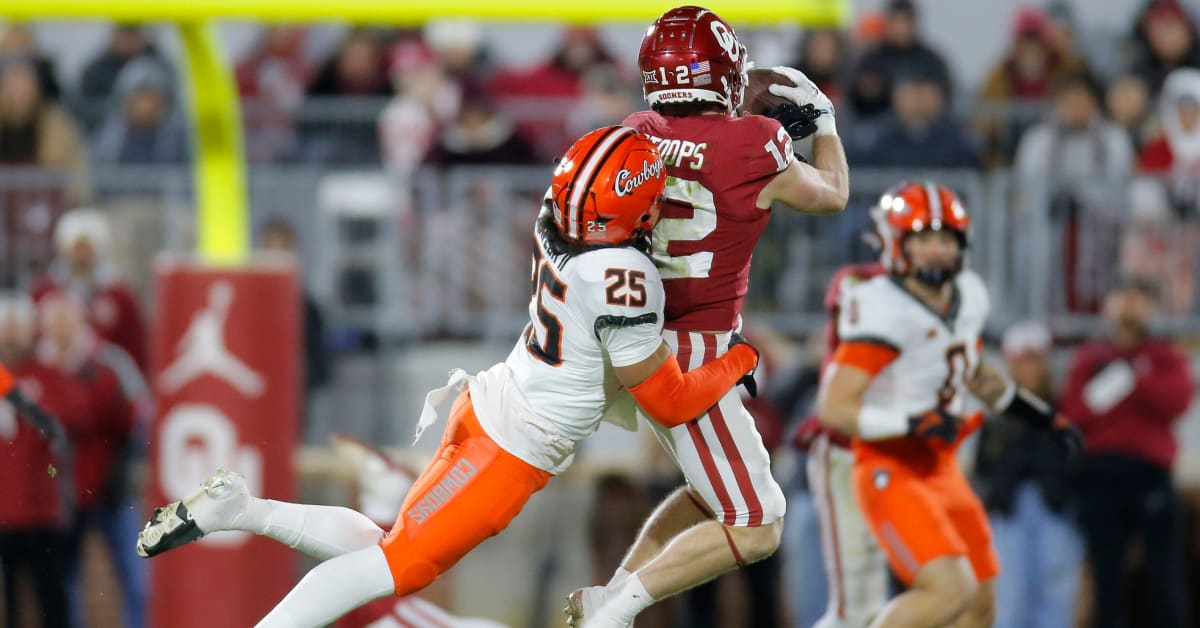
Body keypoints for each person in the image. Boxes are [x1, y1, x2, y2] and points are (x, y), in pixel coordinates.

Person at [135, 125, 761, 627]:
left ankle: (240, 508)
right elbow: (672, 401)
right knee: (392, 567)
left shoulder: (554, 221)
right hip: (510, 451)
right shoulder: (625, 278)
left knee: (390, 546)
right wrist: (739, 359)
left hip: (490, 404)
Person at [567, 6, 849, 626]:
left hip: (630, 335)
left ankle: (612, 590)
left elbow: (688, 156)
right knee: (758, 523)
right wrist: (823, 120)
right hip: (693, 353)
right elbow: (831, 194)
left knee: (709, 493)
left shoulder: (636, 128)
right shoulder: (761, 142)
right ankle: (617, 609)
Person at [816, 181, 1081, 628]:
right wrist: (910, 422)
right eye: (923, 239)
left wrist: (1037, 414)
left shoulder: (969, 295)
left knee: (979, 604)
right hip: (889, 466)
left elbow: (971, 371)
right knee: (948, 591)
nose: (936, 250)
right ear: (897, 243)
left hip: (942, 468)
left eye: (945, 239)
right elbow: (835, 406)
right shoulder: (883, 307)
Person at [1059, 277, 1194, 628]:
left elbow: (1175, 401)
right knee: (1107, 576)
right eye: (1123, 300)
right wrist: (1128, 376)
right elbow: (1075, 412)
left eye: (1139, 301)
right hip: (1099, 476)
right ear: (1109, 306)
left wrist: (1134, 375)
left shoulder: (1164, 356)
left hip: (1149, 475)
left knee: (1164, 575)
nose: (1130, 309)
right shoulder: (1090, 356)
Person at [973, 321, 1082, 628]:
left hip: (1054, 512)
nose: (1030, 369)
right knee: (1010, 603)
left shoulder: (1062, 412)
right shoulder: (997, 418)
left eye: (1035, 359)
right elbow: (984, 471)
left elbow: (1073, 461)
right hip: (1009, 517)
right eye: (1022, 361)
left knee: (1055, 601)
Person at [0, 293, 88, 628]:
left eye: (15, 329)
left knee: (51, 596)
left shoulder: (47, 374)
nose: (9, 337)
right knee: (10, 603)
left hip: (41, 509)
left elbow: (72, 418)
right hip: (4, 511)